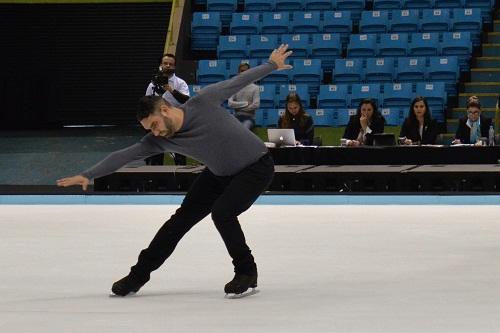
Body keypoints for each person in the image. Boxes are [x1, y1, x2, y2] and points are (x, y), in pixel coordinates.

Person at [56, 44, 293, 297]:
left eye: (156, 125)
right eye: (150, 130)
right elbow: (123, 155)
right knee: (178, 222)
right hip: (219, 174)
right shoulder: (159, 139)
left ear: (166, 109)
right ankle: (137, 276)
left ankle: (246, 271)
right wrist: (88, 174)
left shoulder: (203, 102)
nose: (156, 133)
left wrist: (271, 65)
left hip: (256, 167)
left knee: (222, 213)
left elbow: (238, 81)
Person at [146, 53, 190, 165]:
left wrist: (171, 90)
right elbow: (146, 103)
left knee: (179, 155)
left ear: (174, 66)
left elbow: (186, 100)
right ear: (161, 65)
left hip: (176, 123)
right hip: (158, 123)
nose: (168, 66)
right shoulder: (152, 84)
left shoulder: (180, 83)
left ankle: (181, 178)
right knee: (156, 155)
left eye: (171, 64)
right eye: (165, 63)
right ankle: (156, 178)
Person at [228, 63, 260, 130]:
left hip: (249, 118)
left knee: (244, 128)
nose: (244, 72)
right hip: (236, 116)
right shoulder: (234, 87)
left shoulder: (255, 88)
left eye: (246, 71)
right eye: (242, 71)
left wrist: (238, 108)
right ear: (239, 73)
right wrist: (246, 104)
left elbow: (256, 105)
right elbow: (230, 103)